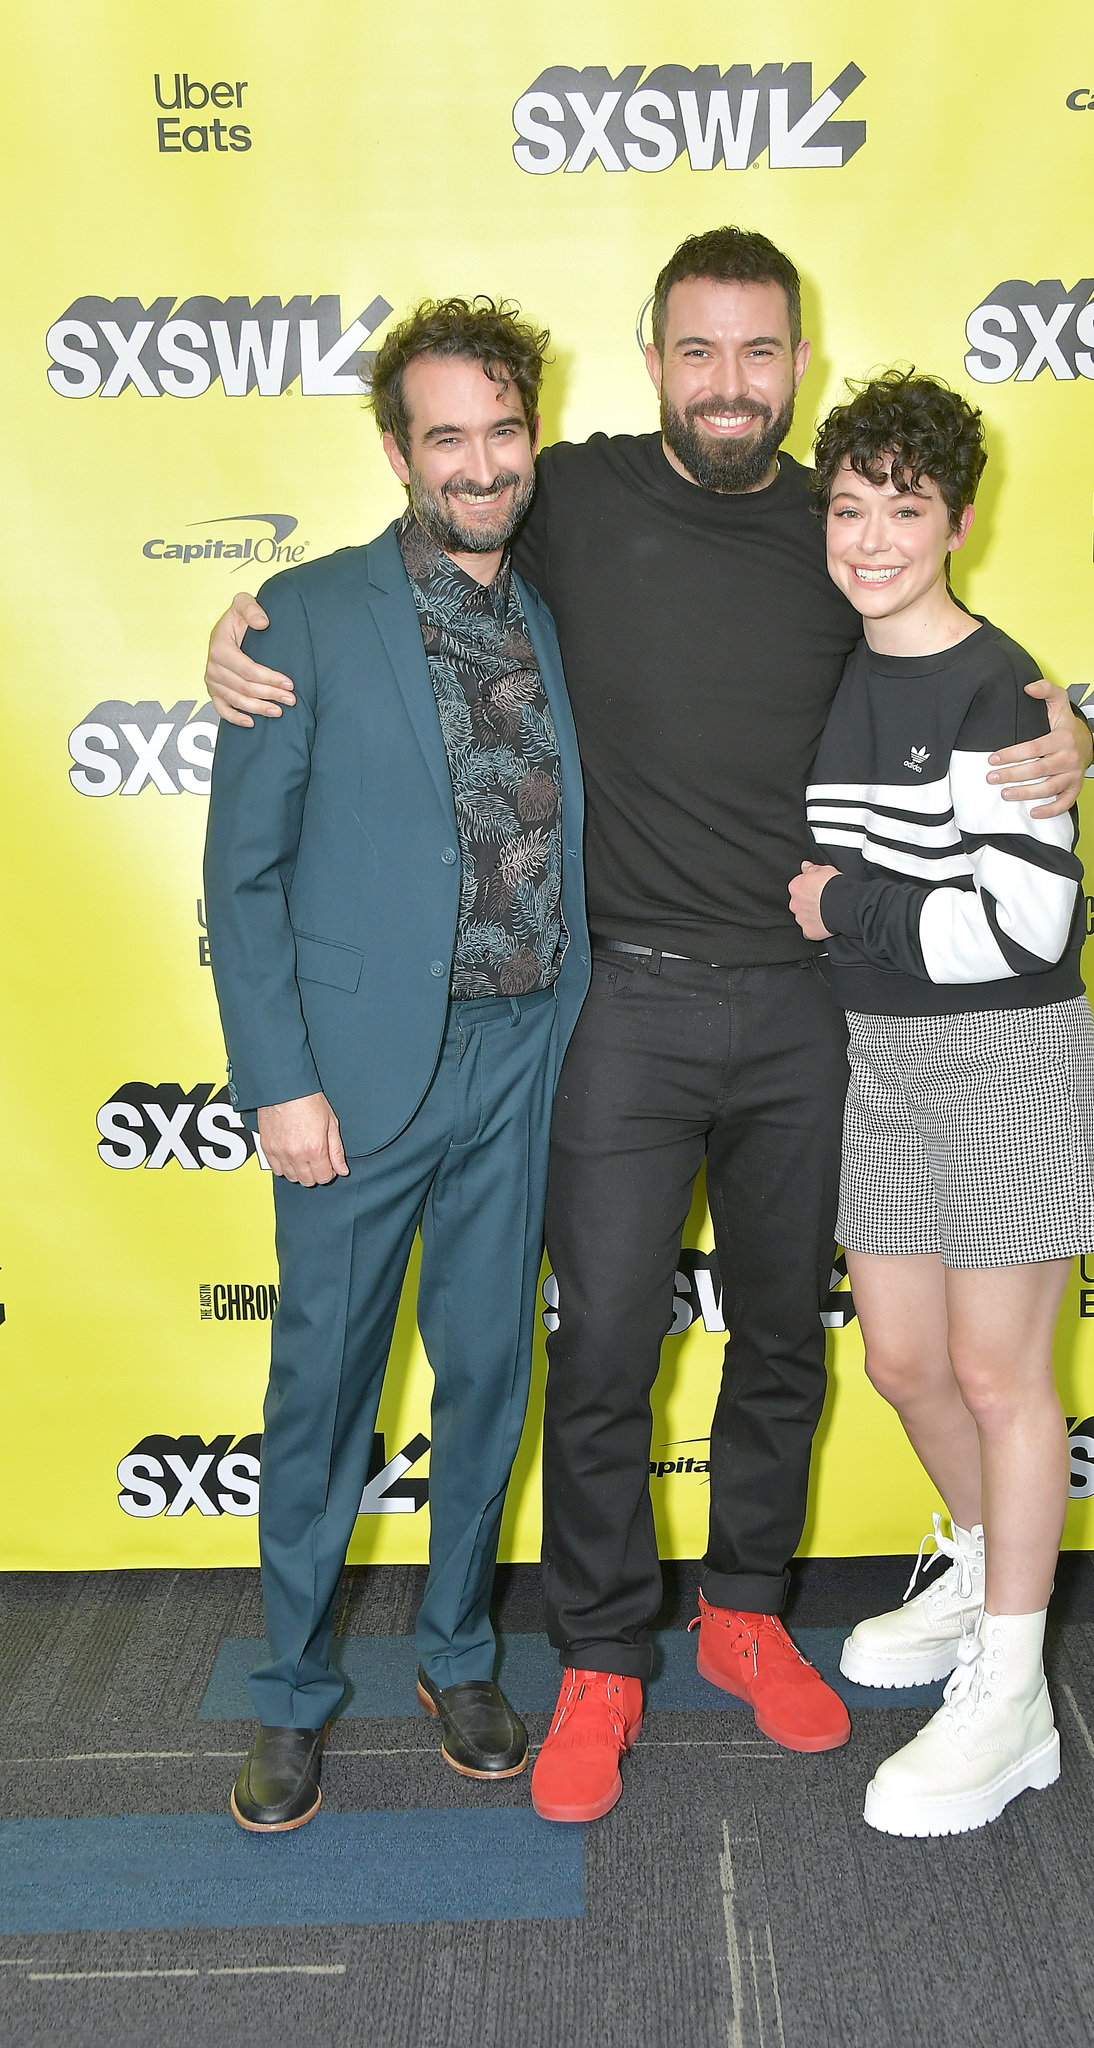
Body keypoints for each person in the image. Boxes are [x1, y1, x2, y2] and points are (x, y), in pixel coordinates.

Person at [202, 229, 1093, 1828]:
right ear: (653, 361)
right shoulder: (575, 496)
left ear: (797, 366)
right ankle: (601, 1658)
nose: (729, 383)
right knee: (599, 1341)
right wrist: (246, 628)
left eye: (759, 354)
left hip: (815, 1008)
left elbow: (940, 645)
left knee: (777, 1340)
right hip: (615, 1002)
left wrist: (1057, 726)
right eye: (699, 351)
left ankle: (746, 1617)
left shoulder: (841, 527)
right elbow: (423, 535)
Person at [203, 297, 590, 1832]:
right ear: (397, 451)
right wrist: (277, 1079)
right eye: (449, 437)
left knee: (490, 1372)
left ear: (531, 439)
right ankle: (294, 1695)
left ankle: (454, 1653)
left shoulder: (564, 606)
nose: (481, 464)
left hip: (524, 1054)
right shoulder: (298, 618)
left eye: (503, 432)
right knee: (324, 1390)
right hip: (355, 1081)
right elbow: (242, 878)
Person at [789, 369, 1094, 1838]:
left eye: (899, 511)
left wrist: (848, 904)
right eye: (848, 509)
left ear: (956, 521)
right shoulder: (824, 664)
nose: (869, 539)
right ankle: (986, 1572)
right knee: (904, 1364)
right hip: (881, 1057)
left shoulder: (999, 691)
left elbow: (1022, 934)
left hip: (1002, 1057)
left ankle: (1015, 1694)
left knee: (997, 1378)